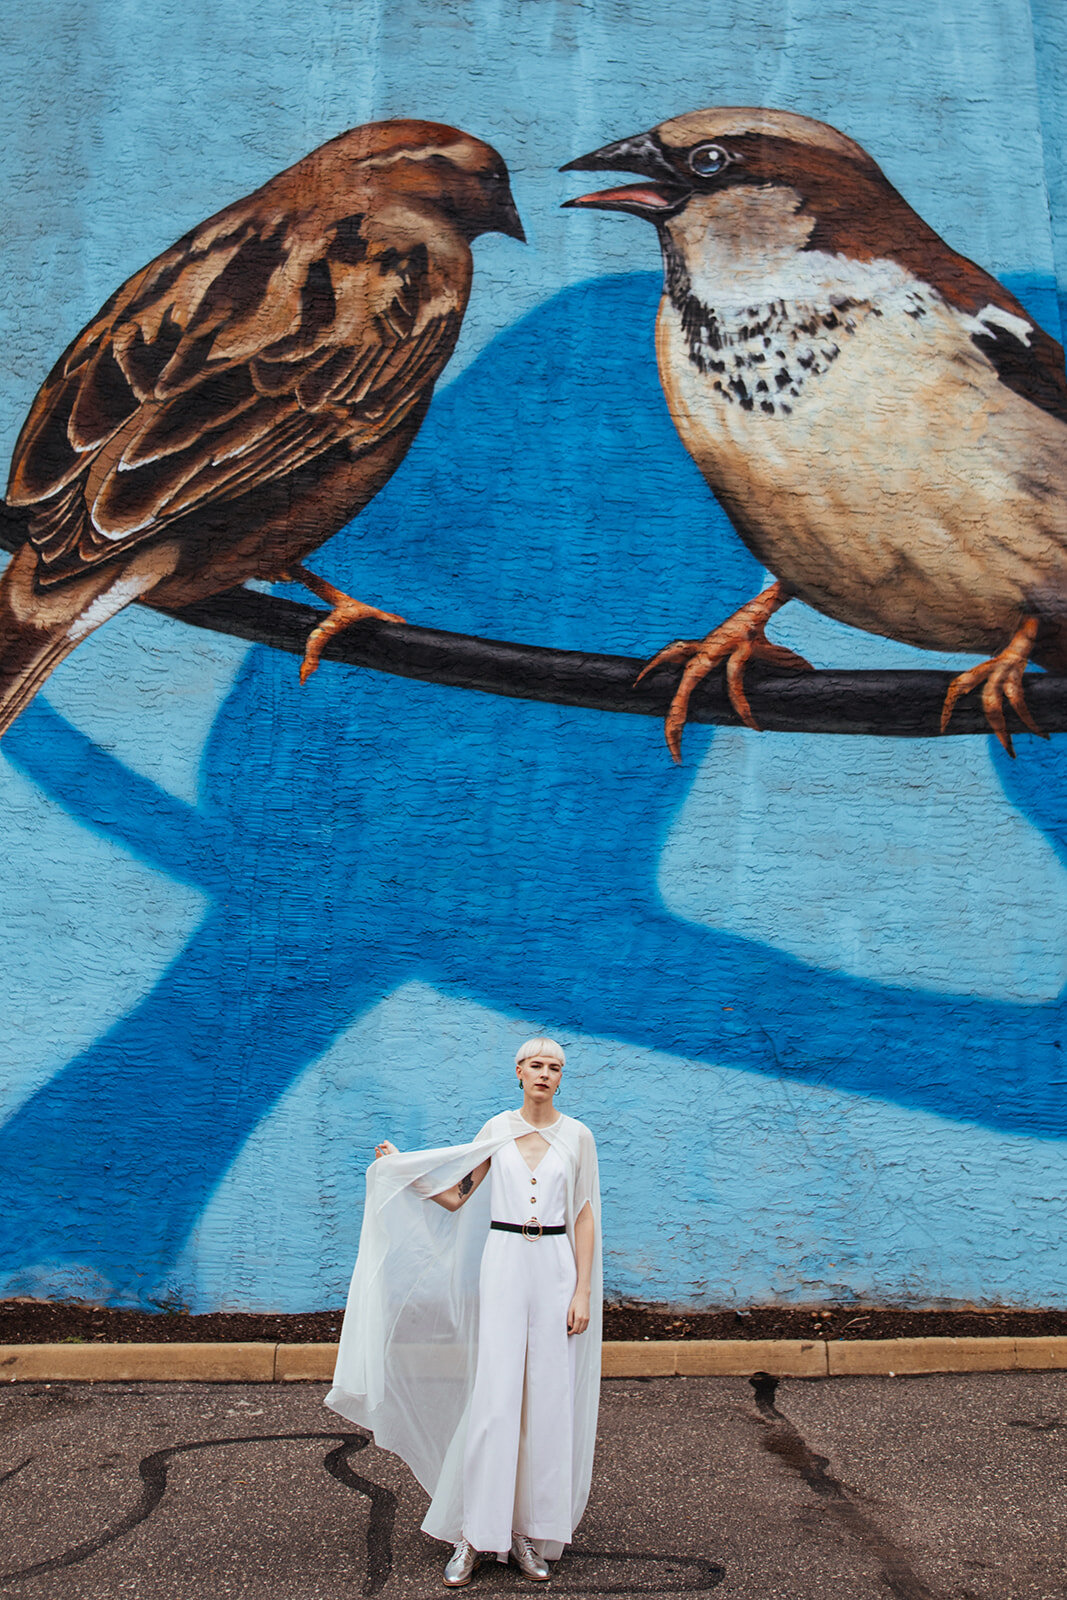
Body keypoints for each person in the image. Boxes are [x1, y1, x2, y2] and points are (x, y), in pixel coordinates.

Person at [325, 1038, 602, 1587]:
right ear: (518, 1073)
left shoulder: (578, 1137)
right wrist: (401, 1168)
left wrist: (582, 1293)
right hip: (503, 1263)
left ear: (562, 1077)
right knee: (496, 1399)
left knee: (543, 1401)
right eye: (535, 1066)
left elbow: (585, 1216)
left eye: (555, 1067)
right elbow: (457, 1196)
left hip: (555, 1266)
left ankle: (525, 1531)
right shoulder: (497, 1131)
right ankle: (476, 1532)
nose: (544, 1074)